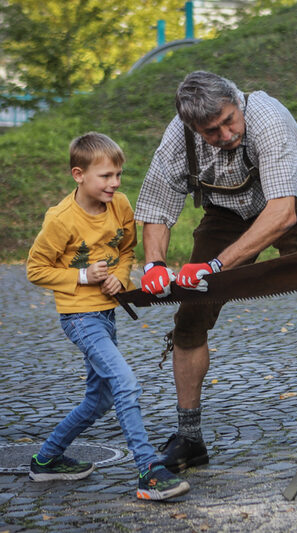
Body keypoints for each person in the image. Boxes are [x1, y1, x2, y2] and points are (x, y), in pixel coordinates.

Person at [134, 71, 297, 473]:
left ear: (237, 102)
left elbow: (281, 214)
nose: (226, 133)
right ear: (193, 128)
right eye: (211, 131)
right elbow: (157, 208)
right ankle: (189, 437)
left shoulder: (267, 116)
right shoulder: (178, 138)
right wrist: (155, 265)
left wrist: (215, 266)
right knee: (190, 316)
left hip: (290, 200)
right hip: (225, 211)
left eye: (230, 121)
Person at [26, 132, 190, 501]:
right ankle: (148, 471)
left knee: (98, 400)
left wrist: (121, 277)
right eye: (105, 176)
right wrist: (82, 276)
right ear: (78, 174)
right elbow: (35, 269)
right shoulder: (61, 219)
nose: (114, 183)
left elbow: (127, 248)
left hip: (106, 315)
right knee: (126, 384)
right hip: (79, 318)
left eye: (118, 174)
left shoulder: (121, 205)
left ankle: (47, 459)